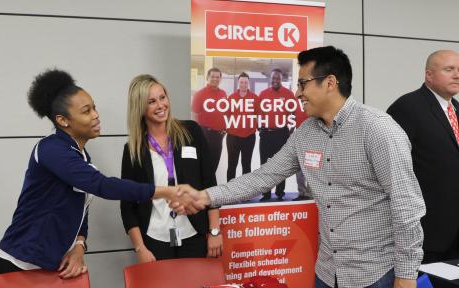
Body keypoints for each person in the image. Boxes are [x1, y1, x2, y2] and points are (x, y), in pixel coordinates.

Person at [173, 46, 425, 288]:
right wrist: (205, 196)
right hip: (327, 271)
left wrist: (406, 274)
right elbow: (263, 177)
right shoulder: (305, 133)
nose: (297, 93)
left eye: (303, 83)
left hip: (374, 274)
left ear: (330, 83)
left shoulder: (377, 129)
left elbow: (407, 207)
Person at [0, 69, 177, 279]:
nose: (96, 115)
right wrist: (164, 192)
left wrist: (79, 246)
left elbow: (82, 205)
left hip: (56, 263)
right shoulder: (51, 149)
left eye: (94, 108)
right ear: (63, 121)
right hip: (22, 262)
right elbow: (102, 186)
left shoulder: (80, 155)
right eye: (86, 111)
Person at [120, 74, 222, 263]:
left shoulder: (191, 131)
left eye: (162, 97)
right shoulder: (133, 149)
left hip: (194, 233)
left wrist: (214, 231)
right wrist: (140, 248)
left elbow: (210, 183)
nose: (160, 105)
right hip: (155, 238)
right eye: (151, 101)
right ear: (140, 107)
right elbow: (127, 206)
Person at [387, 50, 459, 265]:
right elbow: (392, 168)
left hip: (456, 233)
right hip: (426, 233)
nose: (456, 75)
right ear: (429, 75)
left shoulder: (456, 109)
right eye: (449, 70)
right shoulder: (407, 108)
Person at [257, 69, 306, 201]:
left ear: (281, 79)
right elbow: (257, 113)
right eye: (274, 78)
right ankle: (266, 193)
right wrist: (259, 128)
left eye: (278, 78)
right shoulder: (263, 94)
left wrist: (290, 129)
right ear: (270, 79)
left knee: (281, 165)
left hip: (281, 134)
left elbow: (294, 113)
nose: (275, 80)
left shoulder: (289, 94)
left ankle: (280, 193)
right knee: (265, 166)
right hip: (266, 135)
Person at [191, 68, 227, 174]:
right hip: (205, 134)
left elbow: (224, 112)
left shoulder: (223, 93)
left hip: (219, 136)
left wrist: (225, 129)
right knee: (205, 166)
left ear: (220, 79)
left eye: (217, 77)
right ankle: (203, 190)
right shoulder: (200, 94)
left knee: (214, 165)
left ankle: (210, 189)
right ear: (207, 78)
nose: (215, 79)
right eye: (212, 77)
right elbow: (194, 115)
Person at [226, 72, 258, 181]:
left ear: (248, 83)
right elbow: (226, 115)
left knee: (246, 165)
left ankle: (245, 192)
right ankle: (229, 192)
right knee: (232, 165)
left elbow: (259, 115)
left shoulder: (255, 98)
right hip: (233, 137)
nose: (243, 84)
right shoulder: (231, 98)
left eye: (245, 82)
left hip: (249, 137)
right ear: (238, 83)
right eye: (241, 82)